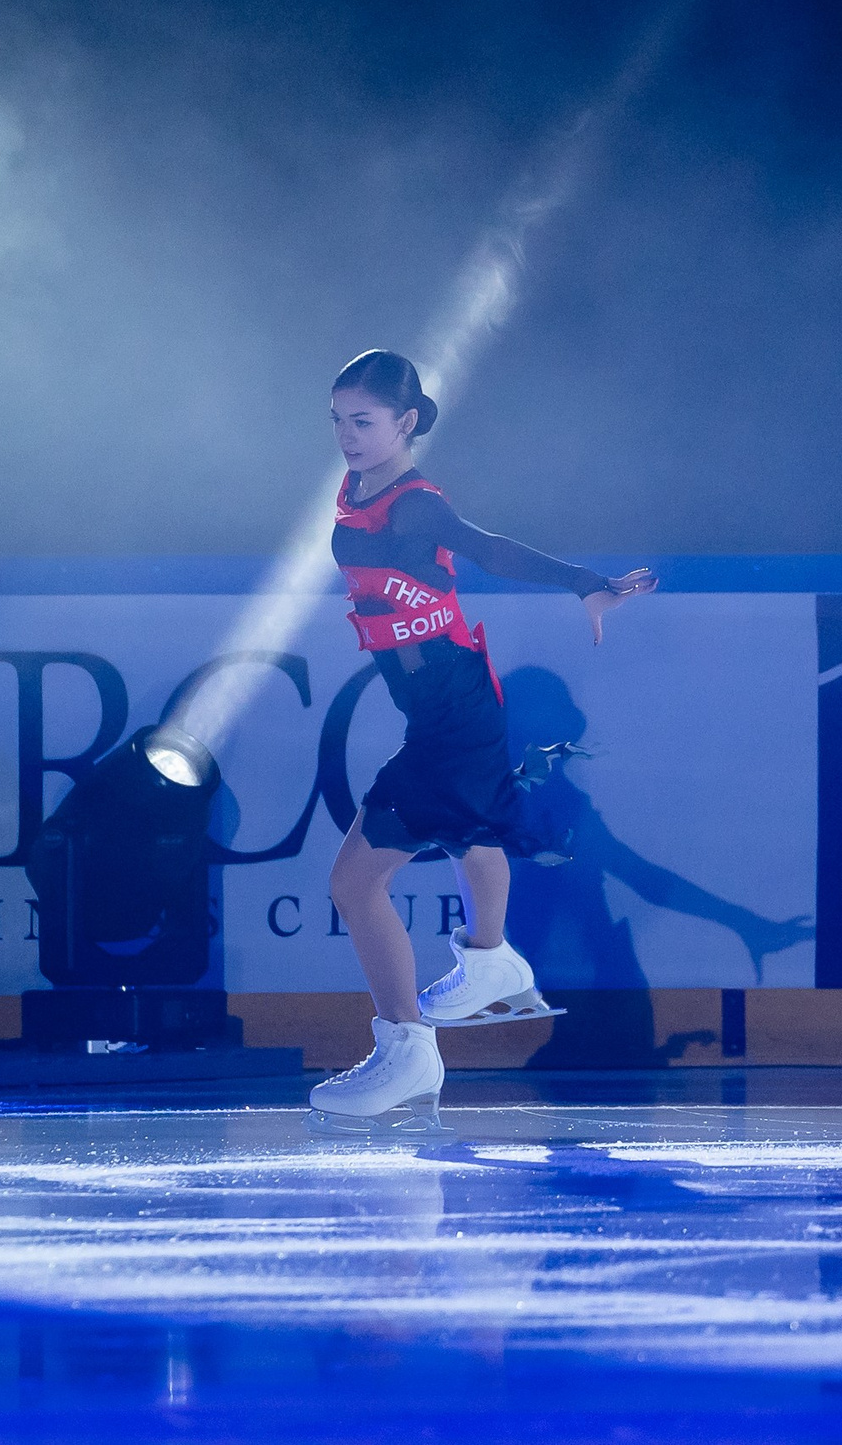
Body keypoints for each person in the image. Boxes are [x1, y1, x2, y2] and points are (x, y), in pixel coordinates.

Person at [306, 350, 656, 1133]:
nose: (347, 435)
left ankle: (410, 1047)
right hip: (447, 702)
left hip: (453, 710)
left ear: (405, 423)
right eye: (338, 419)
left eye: (363, 421)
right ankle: (490, 958)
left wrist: (581, 582)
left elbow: (487, 546)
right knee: (472, 826)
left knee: (356, 885)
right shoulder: (358, 492)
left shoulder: (413, 503)